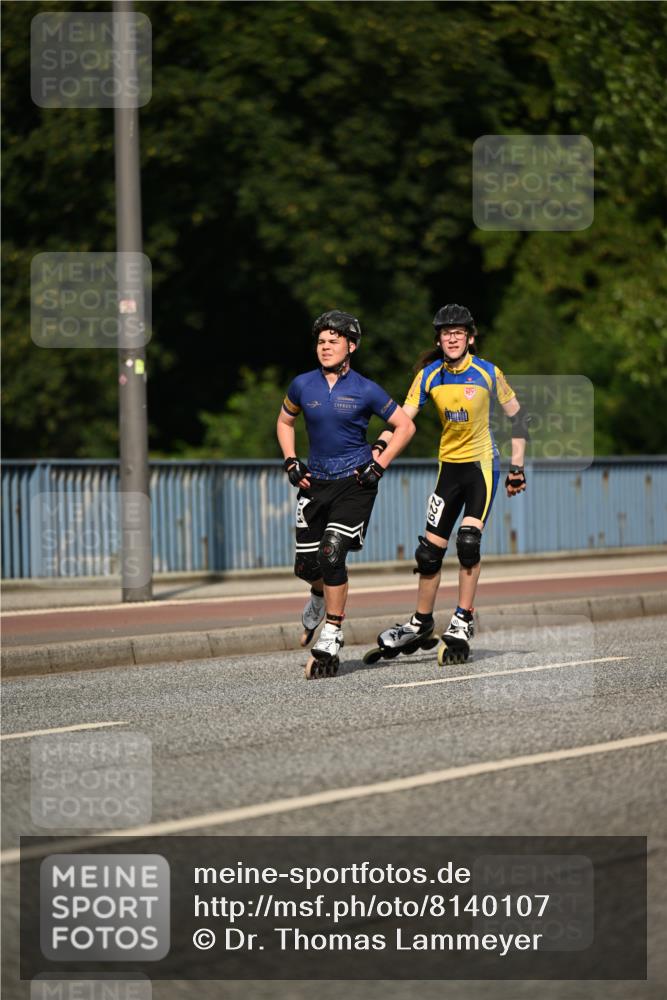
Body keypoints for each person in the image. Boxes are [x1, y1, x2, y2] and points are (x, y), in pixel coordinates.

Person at [372, 303, 528, 662]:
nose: (452, 337)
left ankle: (462, 619)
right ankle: (421, 622)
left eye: (459, 332)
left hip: (480, 468)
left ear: (471, 338)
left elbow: (518, 418)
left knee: (468, 542)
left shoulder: (488, 373)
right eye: (446, 333)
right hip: (448, 470)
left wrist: (517, 467)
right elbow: (402, 419)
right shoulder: (429, 376)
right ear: (439, 340)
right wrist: (379, 449)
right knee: (428, 554)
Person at [276, 309, 415, 669]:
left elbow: (404, 426)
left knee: (333, 552)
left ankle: (332, 633)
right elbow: (285, 421)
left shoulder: (366, 389)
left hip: (355, 482)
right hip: (314, 481)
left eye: (333, 341)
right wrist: (291, 460)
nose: (325, 347)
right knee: (309, 567)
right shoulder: (302, 385)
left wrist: (378, 466)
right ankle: (318, 595)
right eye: (320, 342)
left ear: (351, 345)